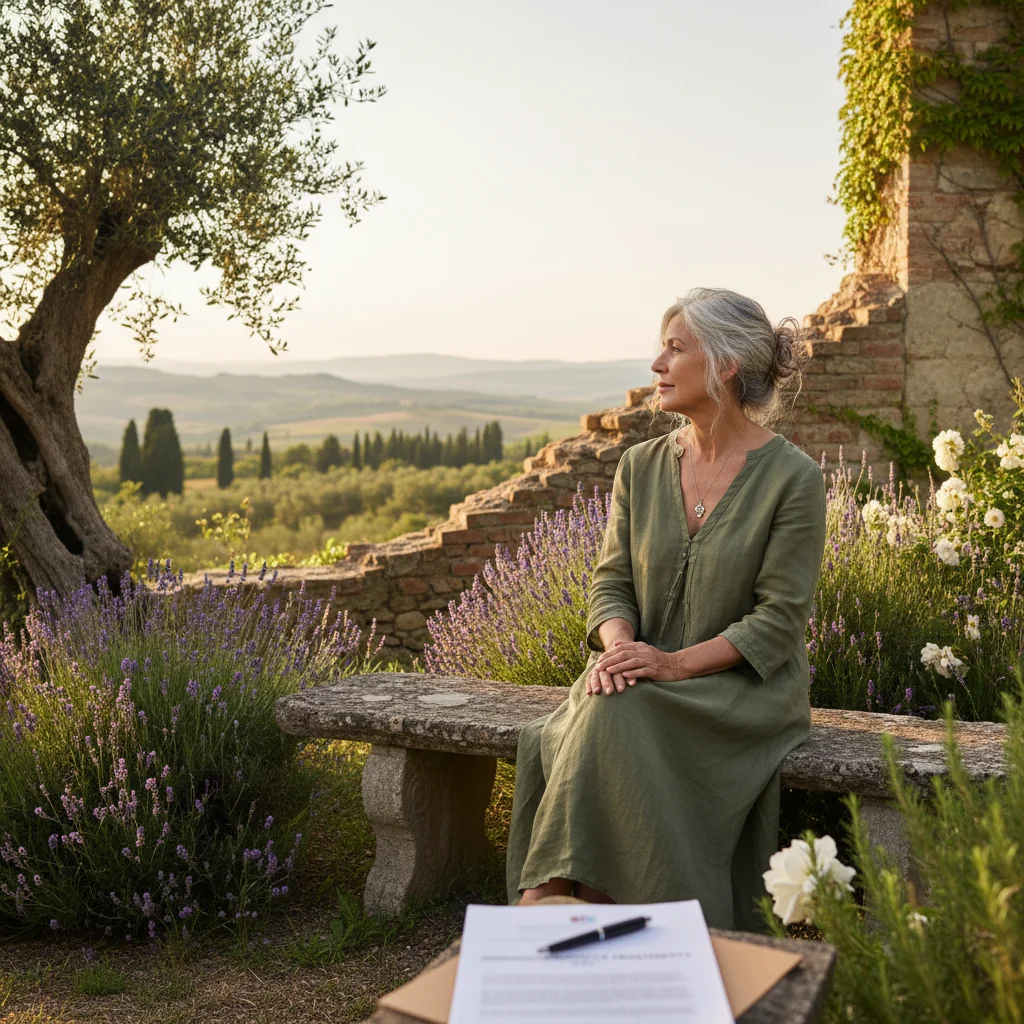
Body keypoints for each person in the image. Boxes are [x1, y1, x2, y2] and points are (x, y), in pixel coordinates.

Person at [505, 287, 827, 932]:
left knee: (609, 712)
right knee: (610, 706)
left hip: (737, 688)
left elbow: (778, 621)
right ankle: (584, 925)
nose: (656, 365)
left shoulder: (793, 478)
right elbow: (610, 583)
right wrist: (623, 647)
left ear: (727, 365)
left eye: (675, 349)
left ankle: (546, 920)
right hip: (640, 674)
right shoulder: (640, 466)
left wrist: (674, 665)